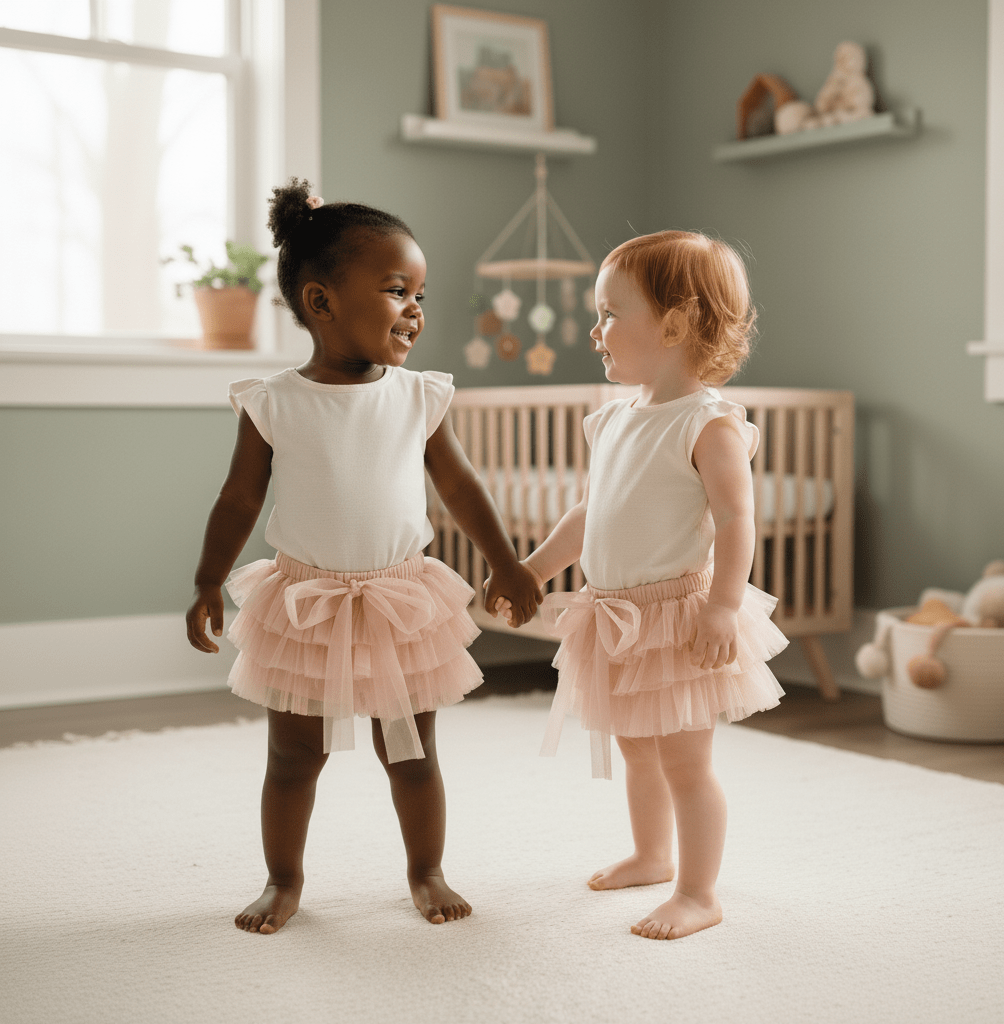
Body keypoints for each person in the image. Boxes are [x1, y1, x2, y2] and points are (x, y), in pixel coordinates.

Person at [186, 178, 542, 935]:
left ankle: (427, 870)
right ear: (321, 303)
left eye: (420, 293)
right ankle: (283, 880)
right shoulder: (274, 401)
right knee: (292, 758)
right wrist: (208, 579)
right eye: (394, 289)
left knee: (411, 751)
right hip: (304, 600)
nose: (415, 308)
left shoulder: (418, 396)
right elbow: (240, 499)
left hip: (400, 597)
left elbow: (460, 485)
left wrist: (507, 562)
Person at [495, 230, 788, 940]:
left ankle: (698, 892)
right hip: (615, 614)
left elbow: (737, 520)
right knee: (634, 746)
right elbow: (589, 512)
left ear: (674, 324)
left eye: (607, 313)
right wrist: (534, 566)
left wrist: (723, 605)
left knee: (686, 760)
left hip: (677, 617)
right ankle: (652, 855)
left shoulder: (708, 422)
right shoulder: (616, 418)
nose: (595, 330)